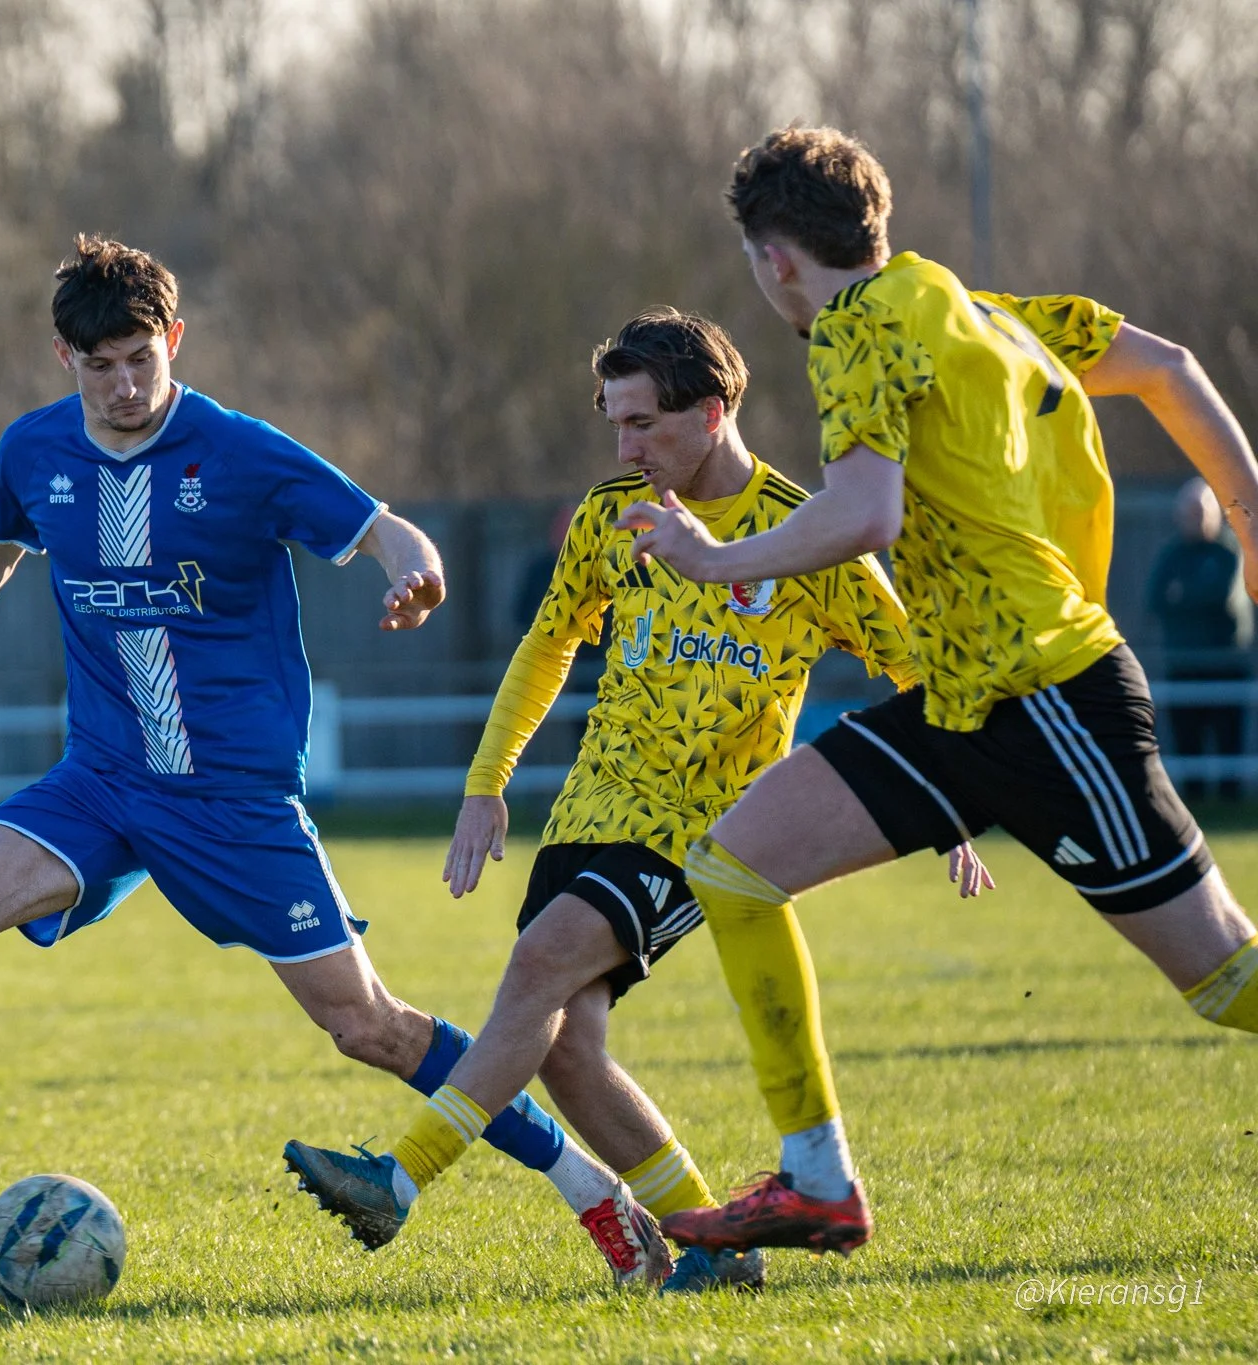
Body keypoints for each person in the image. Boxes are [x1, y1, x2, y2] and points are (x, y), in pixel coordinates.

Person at [0, 236, 668, 1275]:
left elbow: (384, 530)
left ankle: (598, 1196)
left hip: (232, 802)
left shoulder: (241, 454)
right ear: (63, 360)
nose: (125, 385)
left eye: (142, 357)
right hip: (98, 780)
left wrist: (417, 572)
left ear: (174, 340)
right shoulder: (33, 452)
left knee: (367, 1026)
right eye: (101, 366)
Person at [616, 126, 1258, 1256]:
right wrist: (1246, 516)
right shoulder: (979, 309)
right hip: (961, 702)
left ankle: (814, 1178)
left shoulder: (855, 330)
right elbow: (1165, 369)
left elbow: (866, 515)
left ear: (773, 263)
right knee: (731, 866)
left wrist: (711, 558)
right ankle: (815, 1181)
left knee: (1222, 980)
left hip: (1050, 695)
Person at [281, 308, 989, 1293]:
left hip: (699, 828)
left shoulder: (805, 531)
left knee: (537, 963)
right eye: (612, 422)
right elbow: (548, 642)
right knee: (567, 1052)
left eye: (642, 423)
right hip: (589, 812)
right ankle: (718, 1247)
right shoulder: (614, 509)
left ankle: (397, 1178)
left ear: (709, 413)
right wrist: (485, 784)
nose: (624, 446)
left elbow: (917, 671)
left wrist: (942, 801)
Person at [1147, 478, 1251, 799]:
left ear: (1216, 514)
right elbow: (1155, 601)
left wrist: (1183, 596)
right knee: (1187, 743)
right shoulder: (1171, 555)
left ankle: (1230, 809)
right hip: (1184, 664)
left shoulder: (1229, 552)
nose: (1196, 518)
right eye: (1190, 512)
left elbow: (1223, 598)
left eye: (1201, 511)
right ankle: (1196, 808)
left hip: (1225, 665)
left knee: (1227, 745)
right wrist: (1190, 597)